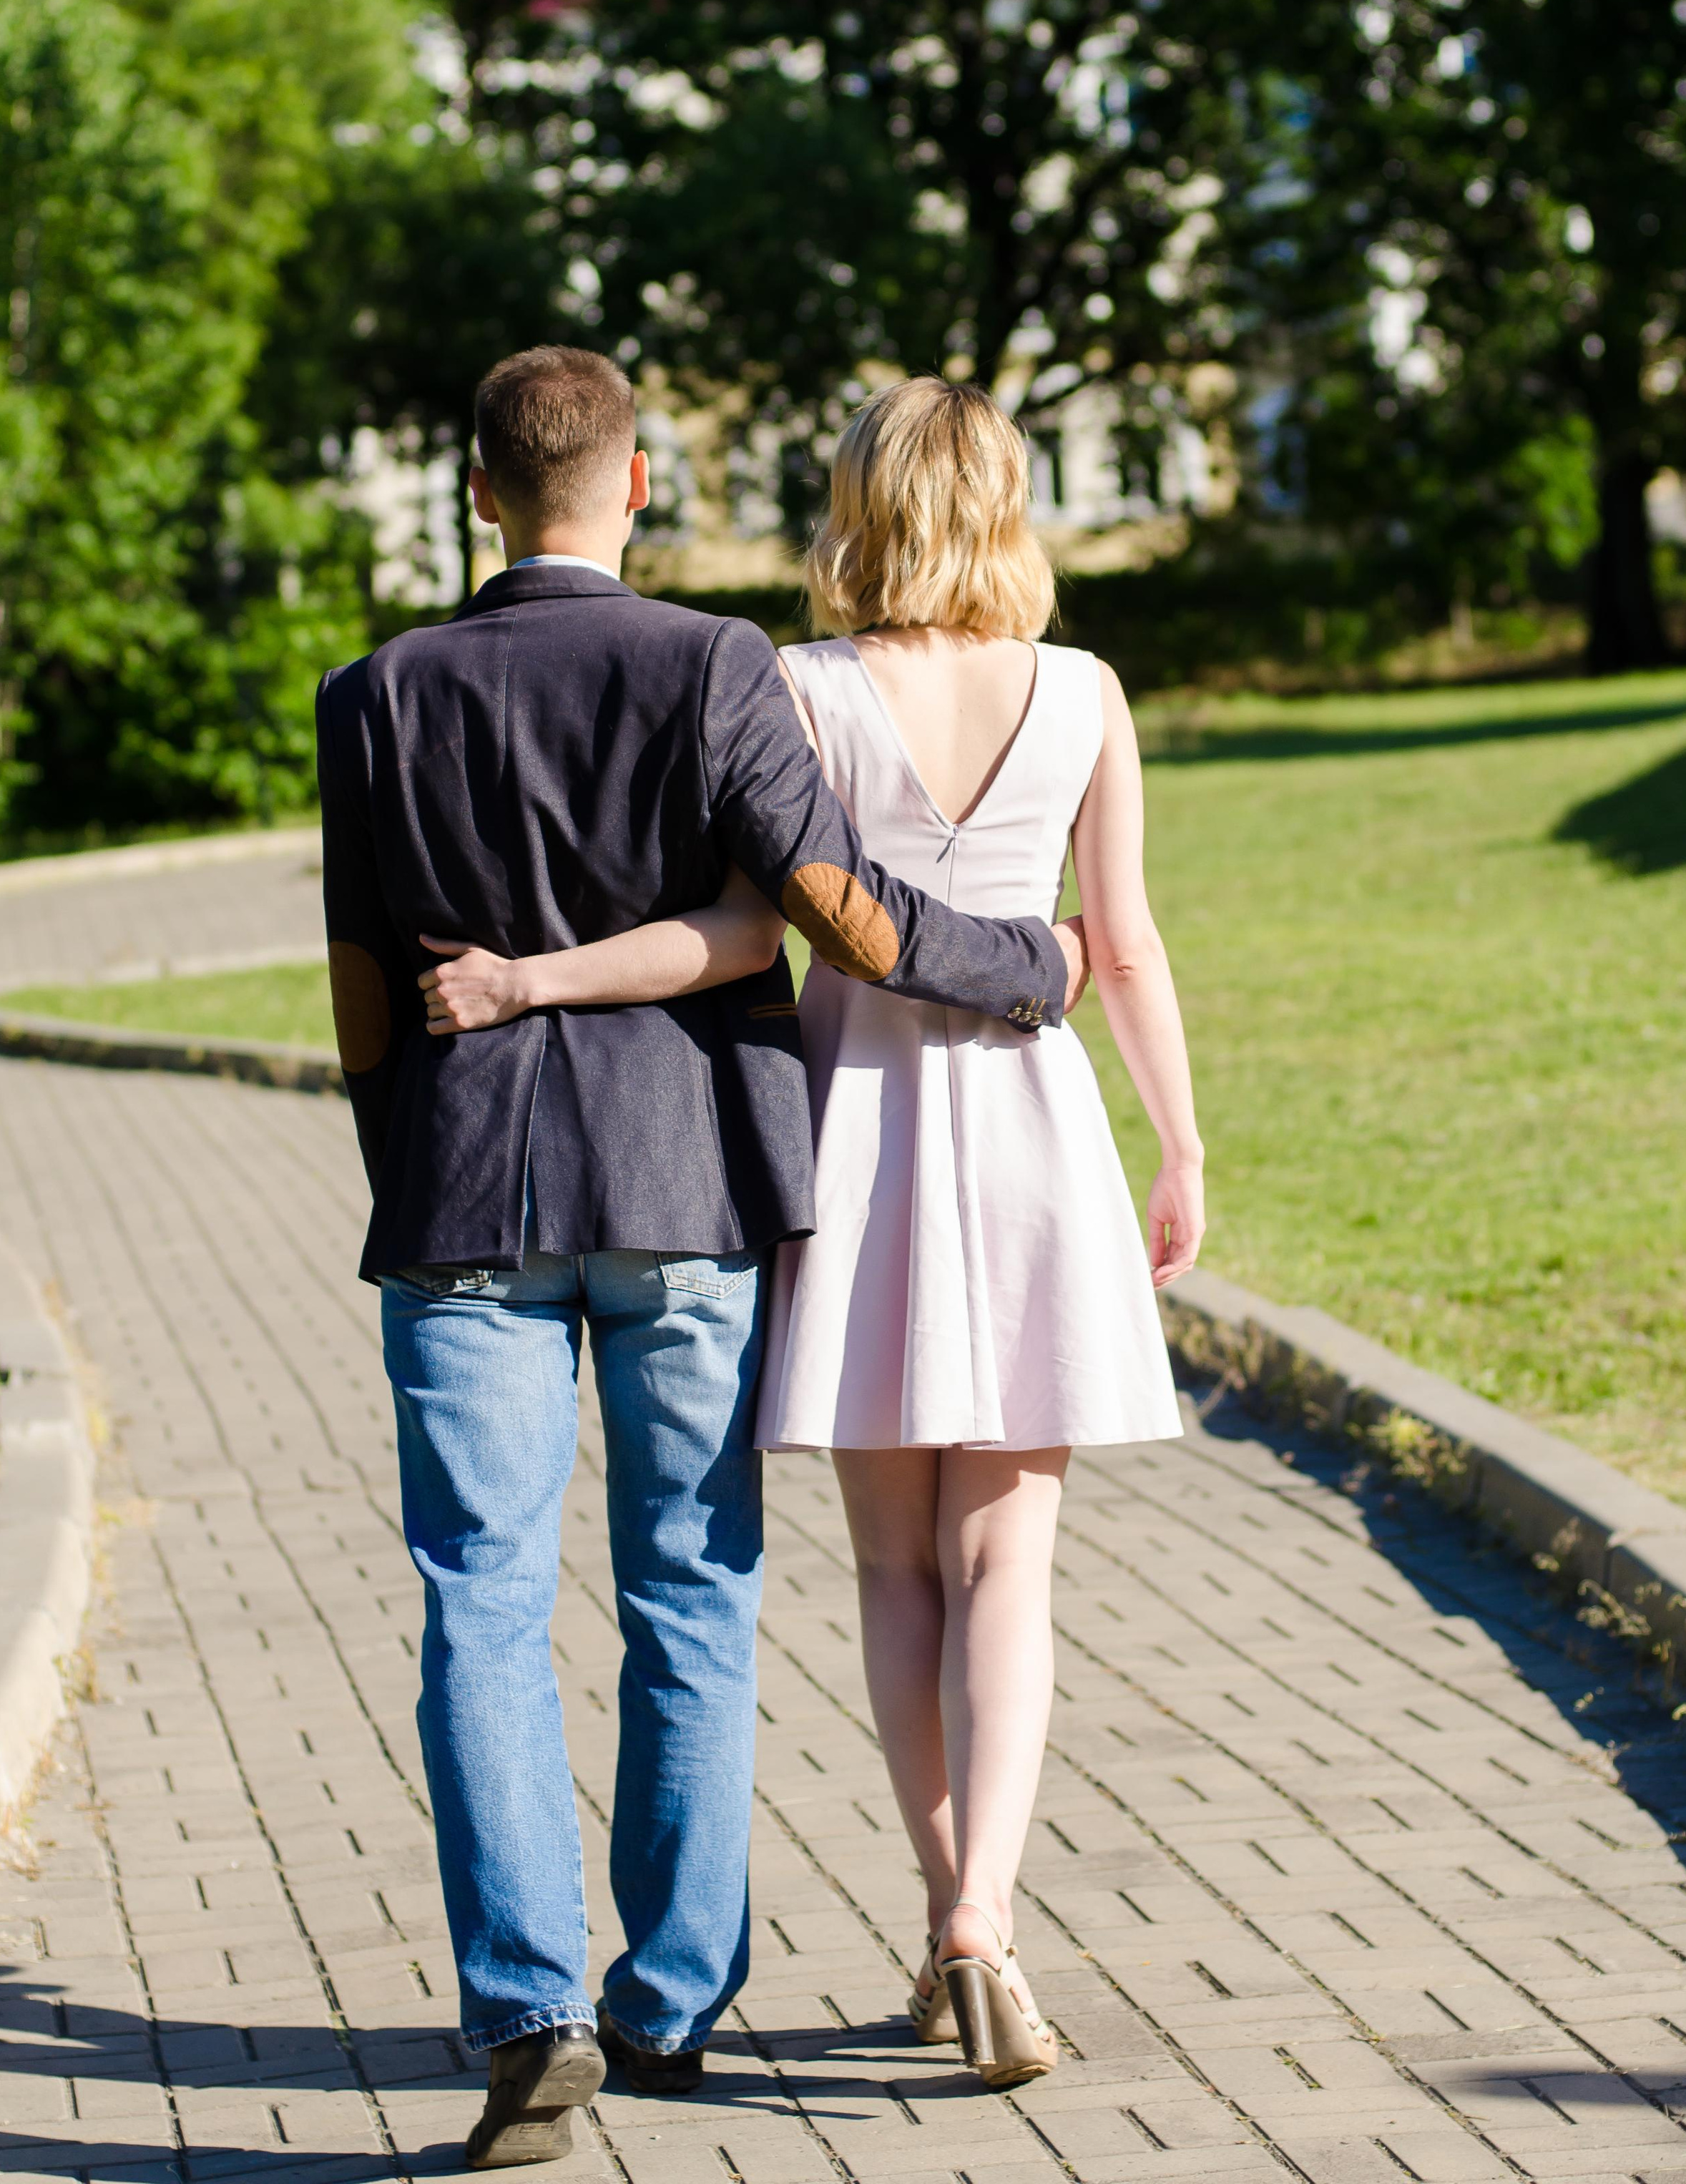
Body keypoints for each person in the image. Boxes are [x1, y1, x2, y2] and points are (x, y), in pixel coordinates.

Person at [314, 346, 1087, 2168]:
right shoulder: (712, 665)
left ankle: (525, 2013)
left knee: (479, 1599)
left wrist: (403, 1143)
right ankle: (666, 2001)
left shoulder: (375, 693)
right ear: (638, 483)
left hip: (466, 1203)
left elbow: (360, 981)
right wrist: (1029, 966)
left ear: (482, 491)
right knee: (690, 1587)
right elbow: (836, 915)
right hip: (686, 1198)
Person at [754, 378, 1205, 2088]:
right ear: (1007, 500)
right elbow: (1128, 941)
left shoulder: (798, 692)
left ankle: (947, 1908)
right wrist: (1175, 1144)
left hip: (852, 1135)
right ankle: (987, 1925)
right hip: (1028, 1132)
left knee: (888, 1565)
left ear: (856, 503)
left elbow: (761, 929)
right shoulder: (1084, 691)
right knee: (1005, 1560)